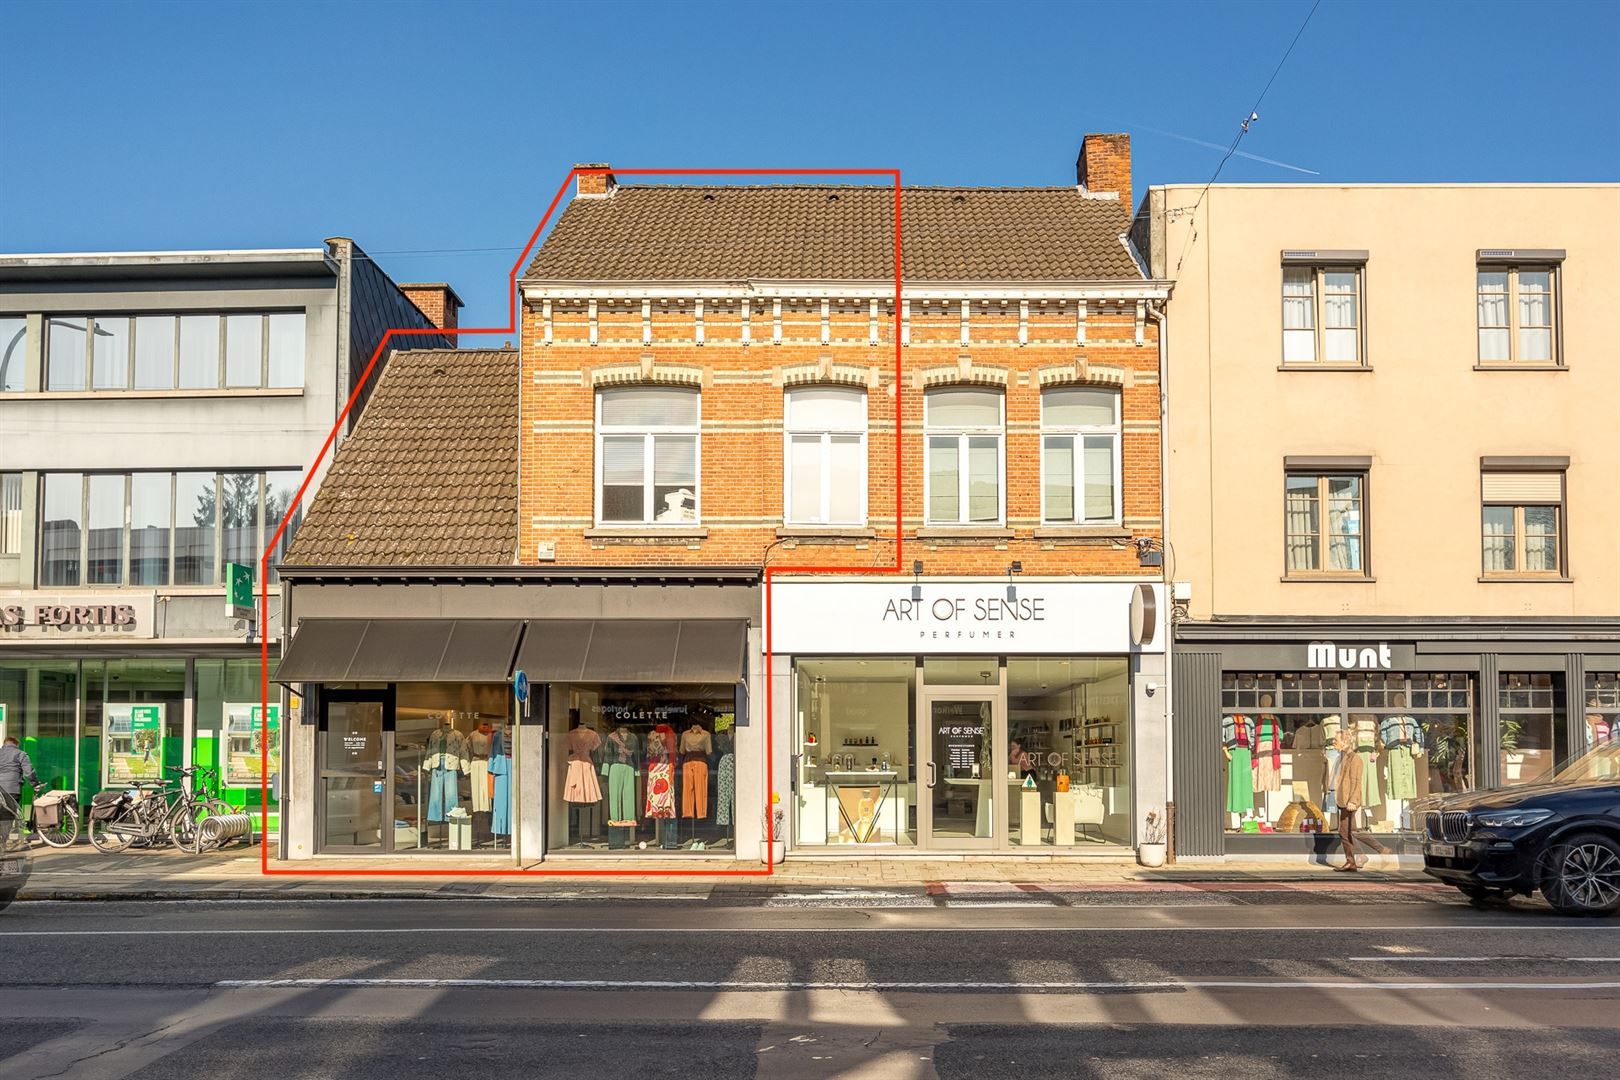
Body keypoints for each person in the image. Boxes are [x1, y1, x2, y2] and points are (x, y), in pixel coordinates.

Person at [1332, 730, 1387, 871]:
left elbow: (1357, 782)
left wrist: (1353, 801)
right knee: (1350, 831)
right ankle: (1358, 858)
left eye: (1336, 740)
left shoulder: (1355, 759)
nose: (1333, 742)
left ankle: (1374, 851)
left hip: (1349, 801)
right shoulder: (1342, 757)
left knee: (1347, 832)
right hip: (1343, 800)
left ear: (1344, 742)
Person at [0, 736, 44, 848]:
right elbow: (29, 771)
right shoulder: (20, 754)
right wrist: (35, 783)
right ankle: (2, 842)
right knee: (8, 816)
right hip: (12, 789)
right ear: (16, 744)